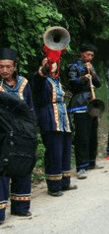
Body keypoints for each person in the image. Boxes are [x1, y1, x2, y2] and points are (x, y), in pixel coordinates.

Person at [31, 55, 77, 197]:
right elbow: (38, 82)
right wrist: (43, 69)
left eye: (54, 63)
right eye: (48, 62)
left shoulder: (57, 80)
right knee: (54, 152)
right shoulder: (40, 79)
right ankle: (54, 185)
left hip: (62, 118)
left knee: (65, 150)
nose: (51, 65)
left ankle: (64, 182)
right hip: (50, 118)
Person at [0, 48, 34, 221]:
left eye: (8, 67)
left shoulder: (24, 83)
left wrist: (32, 131)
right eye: (1, 67)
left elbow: (30, 108)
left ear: (14, 66)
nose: (4, 70)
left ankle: (20, 207)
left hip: (21, 134)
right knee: (2, 171)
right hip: (2, 136)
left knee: (22, 165)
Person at [67, 43, 102, 179]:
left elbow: (98, 83)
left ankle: (92, 162)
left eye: (92, 55)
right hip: (80, 103)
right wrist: (82, 79)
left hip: (92, 102)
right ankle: (81, 167)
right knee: (82, 136)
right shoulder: (74, 66)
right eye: (87, 54)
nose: (89, 57)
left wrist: (92, 73)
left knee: (93, 132)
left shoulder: (91, 67)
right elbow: (71, 83)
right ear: (81, 53)